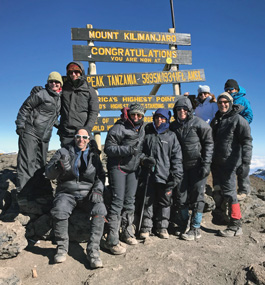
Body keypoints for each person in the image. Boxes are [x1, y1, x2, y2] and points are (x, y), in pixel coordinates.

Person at [45, 128, 107, 269]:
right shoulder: (63, 152)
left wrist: (98, 190)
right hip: (67, 192)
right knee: (59, 210)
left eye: (84, 137)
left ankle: (93, 251)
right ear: (74, 138)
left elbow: (101, 176)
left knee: (100, 209)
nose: (81, 140)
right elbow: (48, 174)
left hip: (88, 193)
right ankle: (62, 248)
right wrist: (57, 167)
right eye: (78, 136)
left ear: (88, 139)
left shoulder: (94, 155)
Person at [170, 97, 214, 241]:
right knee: (180, 196)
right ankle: (184, 224)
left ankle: (195, 228)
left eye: (184, 109)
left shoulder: (200, 124)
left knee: (197, 197)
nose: (181, 111)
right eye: (178, 109)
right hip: (180, 167)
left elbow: (208, 144)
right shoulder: (173, 127)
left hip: (197, 166)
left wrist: (206, 164)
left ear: (189, 110)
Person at [103, 103, 145, 254]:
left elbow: (140, 150)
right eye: (133, 114)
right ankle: (112, 240)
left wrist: (144, 158)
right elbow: (108, 148)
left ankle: (127, 232)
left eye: (139, 115)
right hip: (118, 168)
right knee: (117, 201)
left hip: (133, 169)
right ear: (128, 114)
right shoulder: (118, 128)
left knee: (130, 201)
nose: (136, 117)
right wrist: (127, 150)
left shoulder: (142, 129)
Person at [211, 92, 252, 237]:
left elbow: (247, 142)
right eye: (220, 102)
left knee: (230, 193)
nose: (223, 104)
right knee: (218, 191)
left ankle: (235, 225)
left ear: (230, 102)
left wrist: (245, 164)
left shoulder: (238, 120)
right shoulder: (217, 120)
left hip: (231, 163)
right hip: (216, 164)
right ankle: (223, 218)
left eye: (225, 102)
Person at [31, 61, 99, 147]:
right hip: (66, 134)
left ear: (81, 72)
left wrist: (87, 129)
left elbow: (94, 111)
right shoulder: (64, 87)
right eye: (70, 72)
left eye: (76, 71)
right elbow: (52, 92)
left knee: (91, 156)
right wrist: (40, 90)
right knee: (67, 159)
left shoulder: (90, 90)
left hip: (83, 133)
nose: (73, 74)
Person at [138, 108, 183, 239]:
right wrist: (144, 160)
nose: (159, 120)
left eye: (162, 118)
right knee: (148, 201)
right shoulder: (148, 133)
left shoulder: (171, 136)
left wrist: (175, 176)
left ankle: (162, 227)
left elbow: (177, 158)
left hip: (165, 175)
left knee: (165, 201)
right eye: (157, 117)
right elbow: (140, 151)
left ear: (167, 119)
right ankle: (146, 227)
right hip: (148, 175)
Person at [15, 71, 62, 194]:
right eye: (51, 81)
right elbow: (25, 107)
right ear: (48, 82)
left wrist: (61, 127)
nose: (54, 84)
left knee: (40, 165)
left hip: (45, 136)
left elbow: (51, 118)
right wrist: (20, 125)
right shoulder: (42, 93)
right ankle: (23, 194)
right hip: (30, 131)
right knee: (27, 163)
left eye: (57, 82)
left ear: (60, 84)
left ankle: (36, 191)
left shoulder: (59, 99)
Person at [224, 79, 253, 200]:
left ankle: (244, 189)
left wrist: (241, 124)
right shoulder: (226, 100)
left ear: (236, 89)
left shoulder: (243, 100)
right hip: (230, 136)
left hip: (240, 134)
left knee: (242, 161)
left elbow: (249, 115)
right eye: (227, 89)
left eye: (231, 89)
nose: (229, 91)